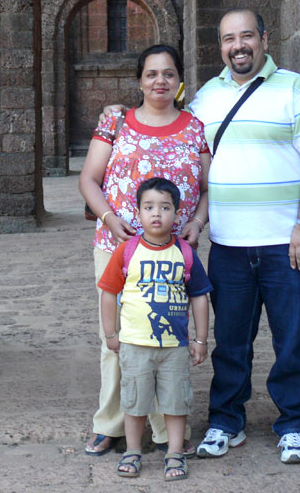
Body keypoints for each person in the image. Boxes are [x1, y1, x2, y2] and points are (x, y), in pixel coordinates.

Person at [100, 9, 300, 464]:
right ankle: (227, 420)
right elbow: (163, 116)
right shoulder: (206, 99)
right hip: (228, 244)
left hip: (287, 244)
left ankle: (292, 425)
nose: (239, 45)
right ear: (221, 47)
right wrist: (117, 111)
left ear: (264, 39)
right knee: (231, 341)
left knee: (293, 337)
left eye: (247, 36)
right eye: (229, 38)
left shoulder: (295, 89)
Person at [79, 44, 211, 458]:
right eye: (152, 74)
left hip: (173, 252)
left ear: (179, 80)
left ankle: (161, 428)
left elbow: (209, 188)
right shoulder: (117, 123)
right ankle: (111, 422)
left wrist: (197, 221)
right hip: (120, 248)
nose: (160, 81)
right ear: (139, 80)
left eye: (168, 74)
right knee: (117, 338)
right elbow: (89, 179)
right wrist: (108, 218)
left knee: (166, 337)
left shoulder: (194, 127)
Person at [97, 177, 211, 480]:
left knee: (175, 402)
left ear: (177, 213)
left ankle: (174, 454)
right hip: (135, 343)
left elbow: (199, 297)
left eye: (165, 207)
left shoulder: (185, 253)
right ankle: (132, 451)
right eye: (149, 207)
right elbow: (109, 293)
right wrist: (111, 334)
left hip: (174, 346)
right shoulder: (126, 252)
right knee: (135, 402)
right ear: (138, 212)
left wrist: (201, 338)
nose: (156, 213)